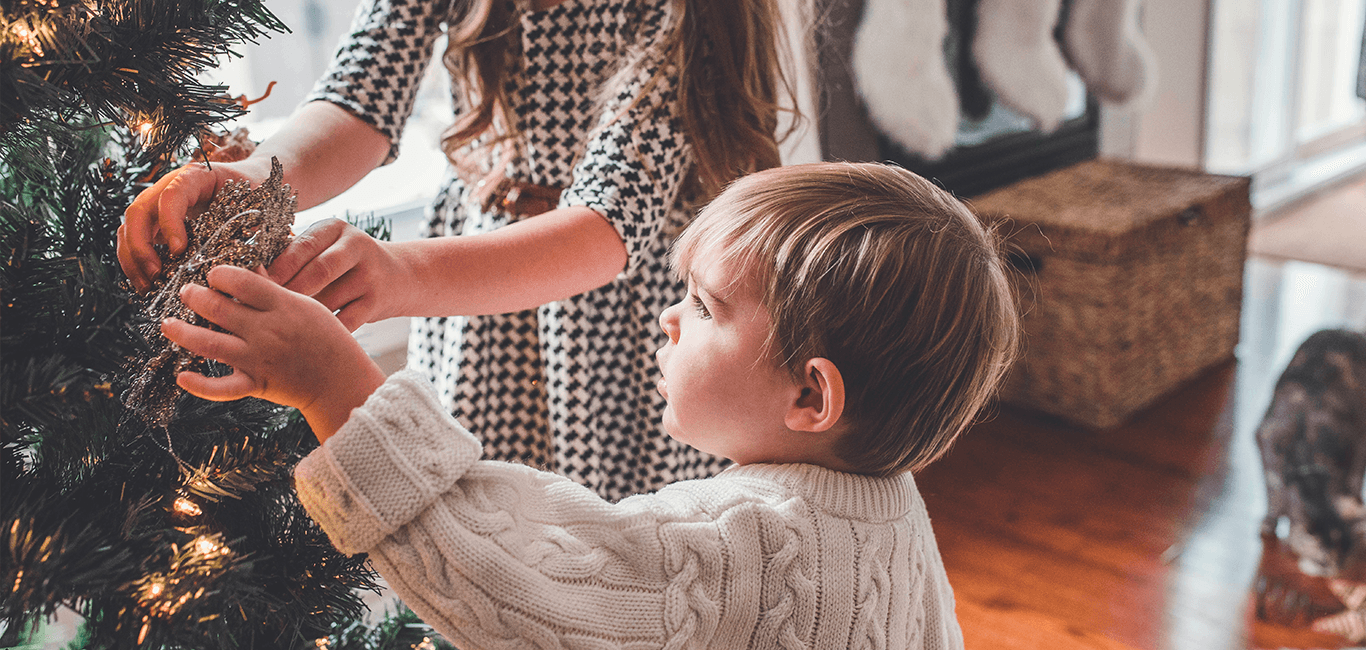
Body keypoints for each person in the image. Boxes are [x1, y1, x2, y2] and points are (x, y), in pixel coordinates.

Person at [160, 161, 1020, 649]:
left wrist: (333, 385)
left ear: (809, 393)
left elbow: (513, 587)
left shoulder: (742, 545)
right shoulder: (892, 514)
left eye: (707, 306)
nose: (668, 316)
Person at [119, 0, 793, 501]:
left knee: (605, 557)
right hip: (479, 306)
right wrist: (253, 178)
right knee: (482, 540)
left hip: (615, 323)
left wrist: (397, 272)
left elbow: (604, 228)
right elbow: (359, 103)